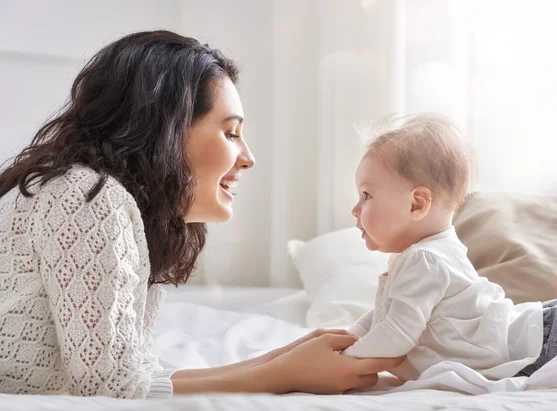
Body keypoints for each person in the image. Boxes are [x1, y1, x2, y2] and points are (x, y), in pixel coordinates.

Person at [0, 30, 402, 399]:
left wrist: (281, 359)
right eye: (230, 133)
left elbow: (138, 375)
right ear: (165, 130)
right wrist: (281, 375)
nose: (249, 158)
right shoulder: (87, 197)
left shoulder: (107, 203)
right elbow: (110, 388)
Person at [341, 113, 557, 382]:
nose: (355, 209)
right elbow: (385, 314)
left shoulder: (424, 259)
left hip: (553, 340)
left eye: (366, 195)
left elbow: (395, 335)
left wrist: (341, 360)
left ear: (416, 204)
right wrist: (346, 338)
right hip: (556, 330)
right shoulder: (430, 252)